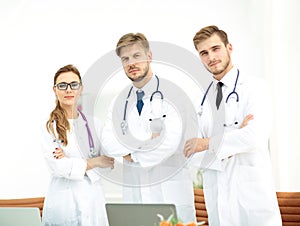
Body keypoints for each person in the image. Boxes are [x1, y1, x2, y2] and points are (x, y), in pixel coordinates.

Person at [184, 25, 282, 226]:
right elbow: (190, 153)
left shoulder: (254, 87)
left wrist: (207, 143)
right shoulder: (200, 99)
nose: (211, 57)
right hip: (218, 200)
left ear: (229, 47)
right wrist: (235, 138)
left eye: (215, 48)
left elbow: (255, 136)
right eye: (204, 53)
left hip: (252, 200)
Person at [101, 33, 196, 223]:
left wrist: (131, 153)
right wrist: (149, 141)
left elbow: (169, 143)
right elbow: (108, 143)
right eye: (125, 59)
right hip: (134, 193)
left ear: (149, 56)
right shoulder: (119, 101)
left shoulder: (173, 94)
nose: (131, 63)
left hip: (169, 192)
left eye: (136, 56)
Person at [41, 64, 114, 226]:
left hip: (93, 199)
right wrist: (94, 161)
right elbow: (58, 167)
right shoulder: (50, 127)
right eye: (62, 85)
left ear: (81, 88)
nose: (68, 90)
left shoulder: (96, 124)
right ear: (55, 90)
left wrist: (71, 162)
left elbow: (108, 163)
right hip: (63, 200)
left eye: (74, 85)